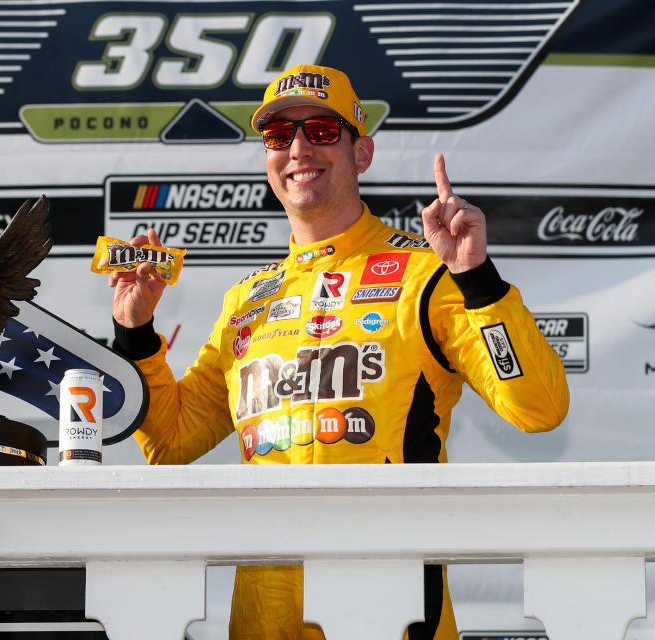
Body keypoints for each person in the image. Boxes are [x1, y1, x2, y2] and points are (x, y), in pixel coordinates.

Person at [108, 64, 569, 640]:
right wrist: (137, 334)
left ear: (362, 152)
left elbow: (539, 408)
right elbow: (169, 443)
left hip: (391, 608)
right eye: (280, 136)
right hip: (265, 617)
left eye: (323, 131)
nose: (299, 147)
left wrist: (476, 278)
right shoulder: (247, 300)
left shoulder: (428, 272)